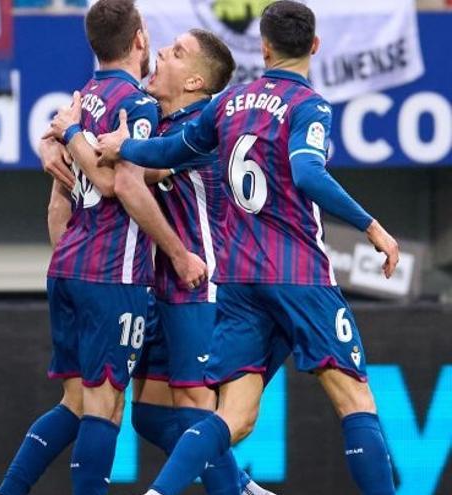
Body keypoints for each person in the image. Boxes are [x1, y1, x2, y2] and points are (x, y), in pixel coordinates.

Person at [95, 2, 399, 494]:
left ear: (264, 47)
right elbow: (306, 170)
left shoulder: (229, 101)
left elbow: (171, 150)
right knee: (355, 399)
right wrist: (371, 226)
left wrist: (122, 147)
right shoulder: (310, 106)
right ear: (315, 47)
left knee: (232, 417)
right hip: (299, 273)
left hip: (239, 280)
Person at [0, 2, 207, 495]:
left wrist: (69, 263)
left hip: (69, 265)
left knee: (75, 402)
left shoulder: (81, 101)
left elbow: (56, 207)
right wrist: (178, 254)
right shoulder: (136, 104)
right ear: (138, 41)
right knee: (106, 405)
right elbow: (123, 185)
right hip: (113, 274)